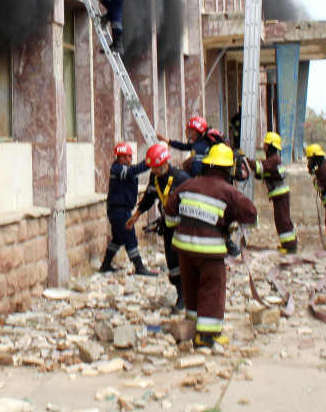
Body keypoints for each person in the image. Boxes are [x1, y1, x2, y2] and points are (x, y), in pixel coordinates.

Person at [163, 143, 258, 348]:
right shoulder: (228, 191)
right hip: (209, 250)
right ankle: (207, 336)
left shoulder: (188, 184)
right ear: (230, 169)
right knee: (212, 288)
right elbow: (251, 215)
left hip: (183, 248)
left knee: (191, 286)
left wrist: (182, 226)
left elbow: (169, 213)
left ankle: (194, 324)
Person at [159, 117, 240, 258]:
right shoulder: (200, 143)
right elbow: (185, 146)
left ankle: (230, 247)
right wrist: (167, 141)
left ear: (194, 131)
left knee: (210, 217)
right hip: (216, 183)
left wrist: (187, 183)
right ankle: (229, 247)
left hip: (208, 187)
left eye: (188, 129)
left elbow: (195, 169)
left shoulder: (198, 147)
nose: (186, 131)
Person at [126, 143, 190, 312]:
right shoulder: (155, 179)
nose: (153, 171)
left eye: (155, 167)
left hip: (185, 226)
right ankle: (181, 293)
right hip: (169, 225)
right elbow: (149, 198)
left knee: (185, 258)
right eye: (151, 168)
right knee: (172, 260)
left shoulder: (181, 178)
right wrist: (135, 216)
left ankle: (189, 295)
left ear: (164, 163)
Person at [98, 142, 157, 276]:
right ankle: (139, 267)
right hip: (119, 211)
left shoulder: (121, 168)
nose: (131, 159)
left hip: (121, 210)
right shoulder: (118, 169)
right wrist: (149, 161)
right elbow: (132, 171)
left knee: (118, 239)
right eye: (129, 156)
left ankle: (105, 265)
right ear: (122, 157)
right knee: (130, 238)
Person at [252, 132, 297, 254]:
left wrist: (246, 161)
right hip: (279, 194)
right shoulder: (272, 159)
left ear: (270, 145)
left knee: (282, 220)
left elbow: (259, 168)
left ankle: (289, 246)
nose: (264, 145)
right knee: (284, 219)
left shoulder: (273, 159)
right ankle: (291, 243)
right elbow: (262, 174)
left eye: (266, 142)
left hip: (280, 194)